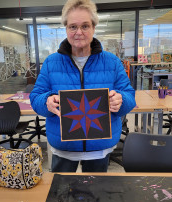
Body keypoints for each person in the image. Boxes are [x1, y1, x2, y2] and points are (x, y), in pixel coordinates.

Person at [30, 0, 136, 172]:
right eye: (73, 26)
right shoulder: (51, 63)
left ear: (94, 28)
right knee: (60, 195)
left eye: (85, 26)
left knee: (95, 196)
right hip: (63, 147)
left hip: (99, 148)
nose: (78, 32)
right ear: (66, 29)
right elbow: (35, 98)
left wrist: (121, 100)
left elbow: (129, 95)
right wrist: (46, 102)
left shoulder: (112, 62)